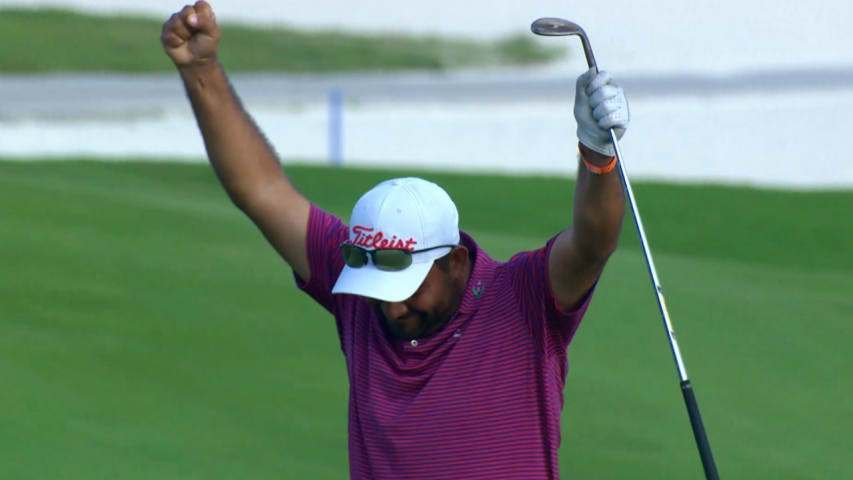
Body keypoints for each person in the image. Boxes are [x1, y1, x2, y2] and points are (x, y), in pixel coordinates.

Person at [161, 2, 629, 479]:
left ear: (455, 261)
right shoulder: (361, 296)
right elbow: (260, 191)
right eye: (378, 294)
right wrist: (202, 70)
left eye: (405, 291)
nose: (392, 310)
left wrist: (597, 155)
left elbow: (592, 243)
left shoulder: (523, 298)